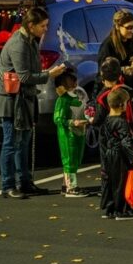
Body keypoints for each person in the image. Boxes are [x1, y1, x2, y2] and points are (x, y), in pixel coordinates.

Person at [0, 7, 68, 198]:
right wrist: (49, 74)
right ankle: (7, 186)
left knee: (23, 141)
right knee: (11, 142)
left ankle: (24, 182)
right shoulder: (18, 44)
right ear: (31, 25)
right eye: (43, 26)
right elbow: (24, 77)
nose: (45, 29)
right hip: (10, 100)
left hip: (24, 98)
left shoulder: (31, 41)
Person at [97, 10, 133, 157]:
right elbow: (103, 71)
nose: (132, 30)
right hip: (116, 92)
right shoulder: (108, 45)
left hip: (131, 90)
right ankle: (124, 155)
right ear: (118, 26)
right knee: (120, 126)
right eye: (128, 27)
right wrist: (122, 70)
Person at [100, 87, 133, 220]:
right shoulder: (121, 122)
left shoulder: (107, 119)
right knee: (122, 183)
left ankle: (110, 209)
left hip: (109, 154)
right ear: (122, 104)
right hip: (120, 155)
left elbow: (103, 139)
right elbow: (125, 141)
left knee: (111, 181)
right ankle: (122, 210)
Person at [52, 69, 89, 197]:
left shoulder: (77, 97)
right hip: (68, 134)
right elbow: (58, 119)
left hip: (79, 132)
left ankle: (66, 185)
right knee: (69, 159)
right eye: (69, 80)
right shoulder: (63, 100)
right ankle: (71, 187)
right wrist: (73, 122)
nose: (73, 82)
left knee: (75, 158)